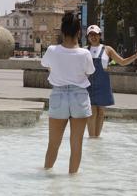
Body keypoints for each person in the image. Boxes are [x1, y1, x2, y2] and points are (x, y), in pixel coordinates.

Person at [41, 12, 95, 174]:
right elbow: (89, 72)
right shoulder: (85, 53)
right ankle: (73, 183)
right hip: (79, 96)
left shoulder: (52, 50)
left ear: (62, 32)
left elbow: (46, 65)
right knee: (76, 143)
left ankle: (47, 178)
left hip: (59, 96)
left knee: (53, 143)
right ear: (79, 32)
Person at [86, 25, 137, 138]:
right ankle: (91, 138)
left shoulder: (107, 49)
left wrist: (136, 56)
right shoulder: (84, 50)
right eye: (91, 35)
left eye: (96, 34)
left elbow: (122, 62)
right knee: (92, 112)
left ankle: (96, 138)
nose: (93, 37)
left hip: (103, 84)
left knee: (101, 112)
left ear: (100, 35)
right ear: (88, 36)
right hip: (89, 84)